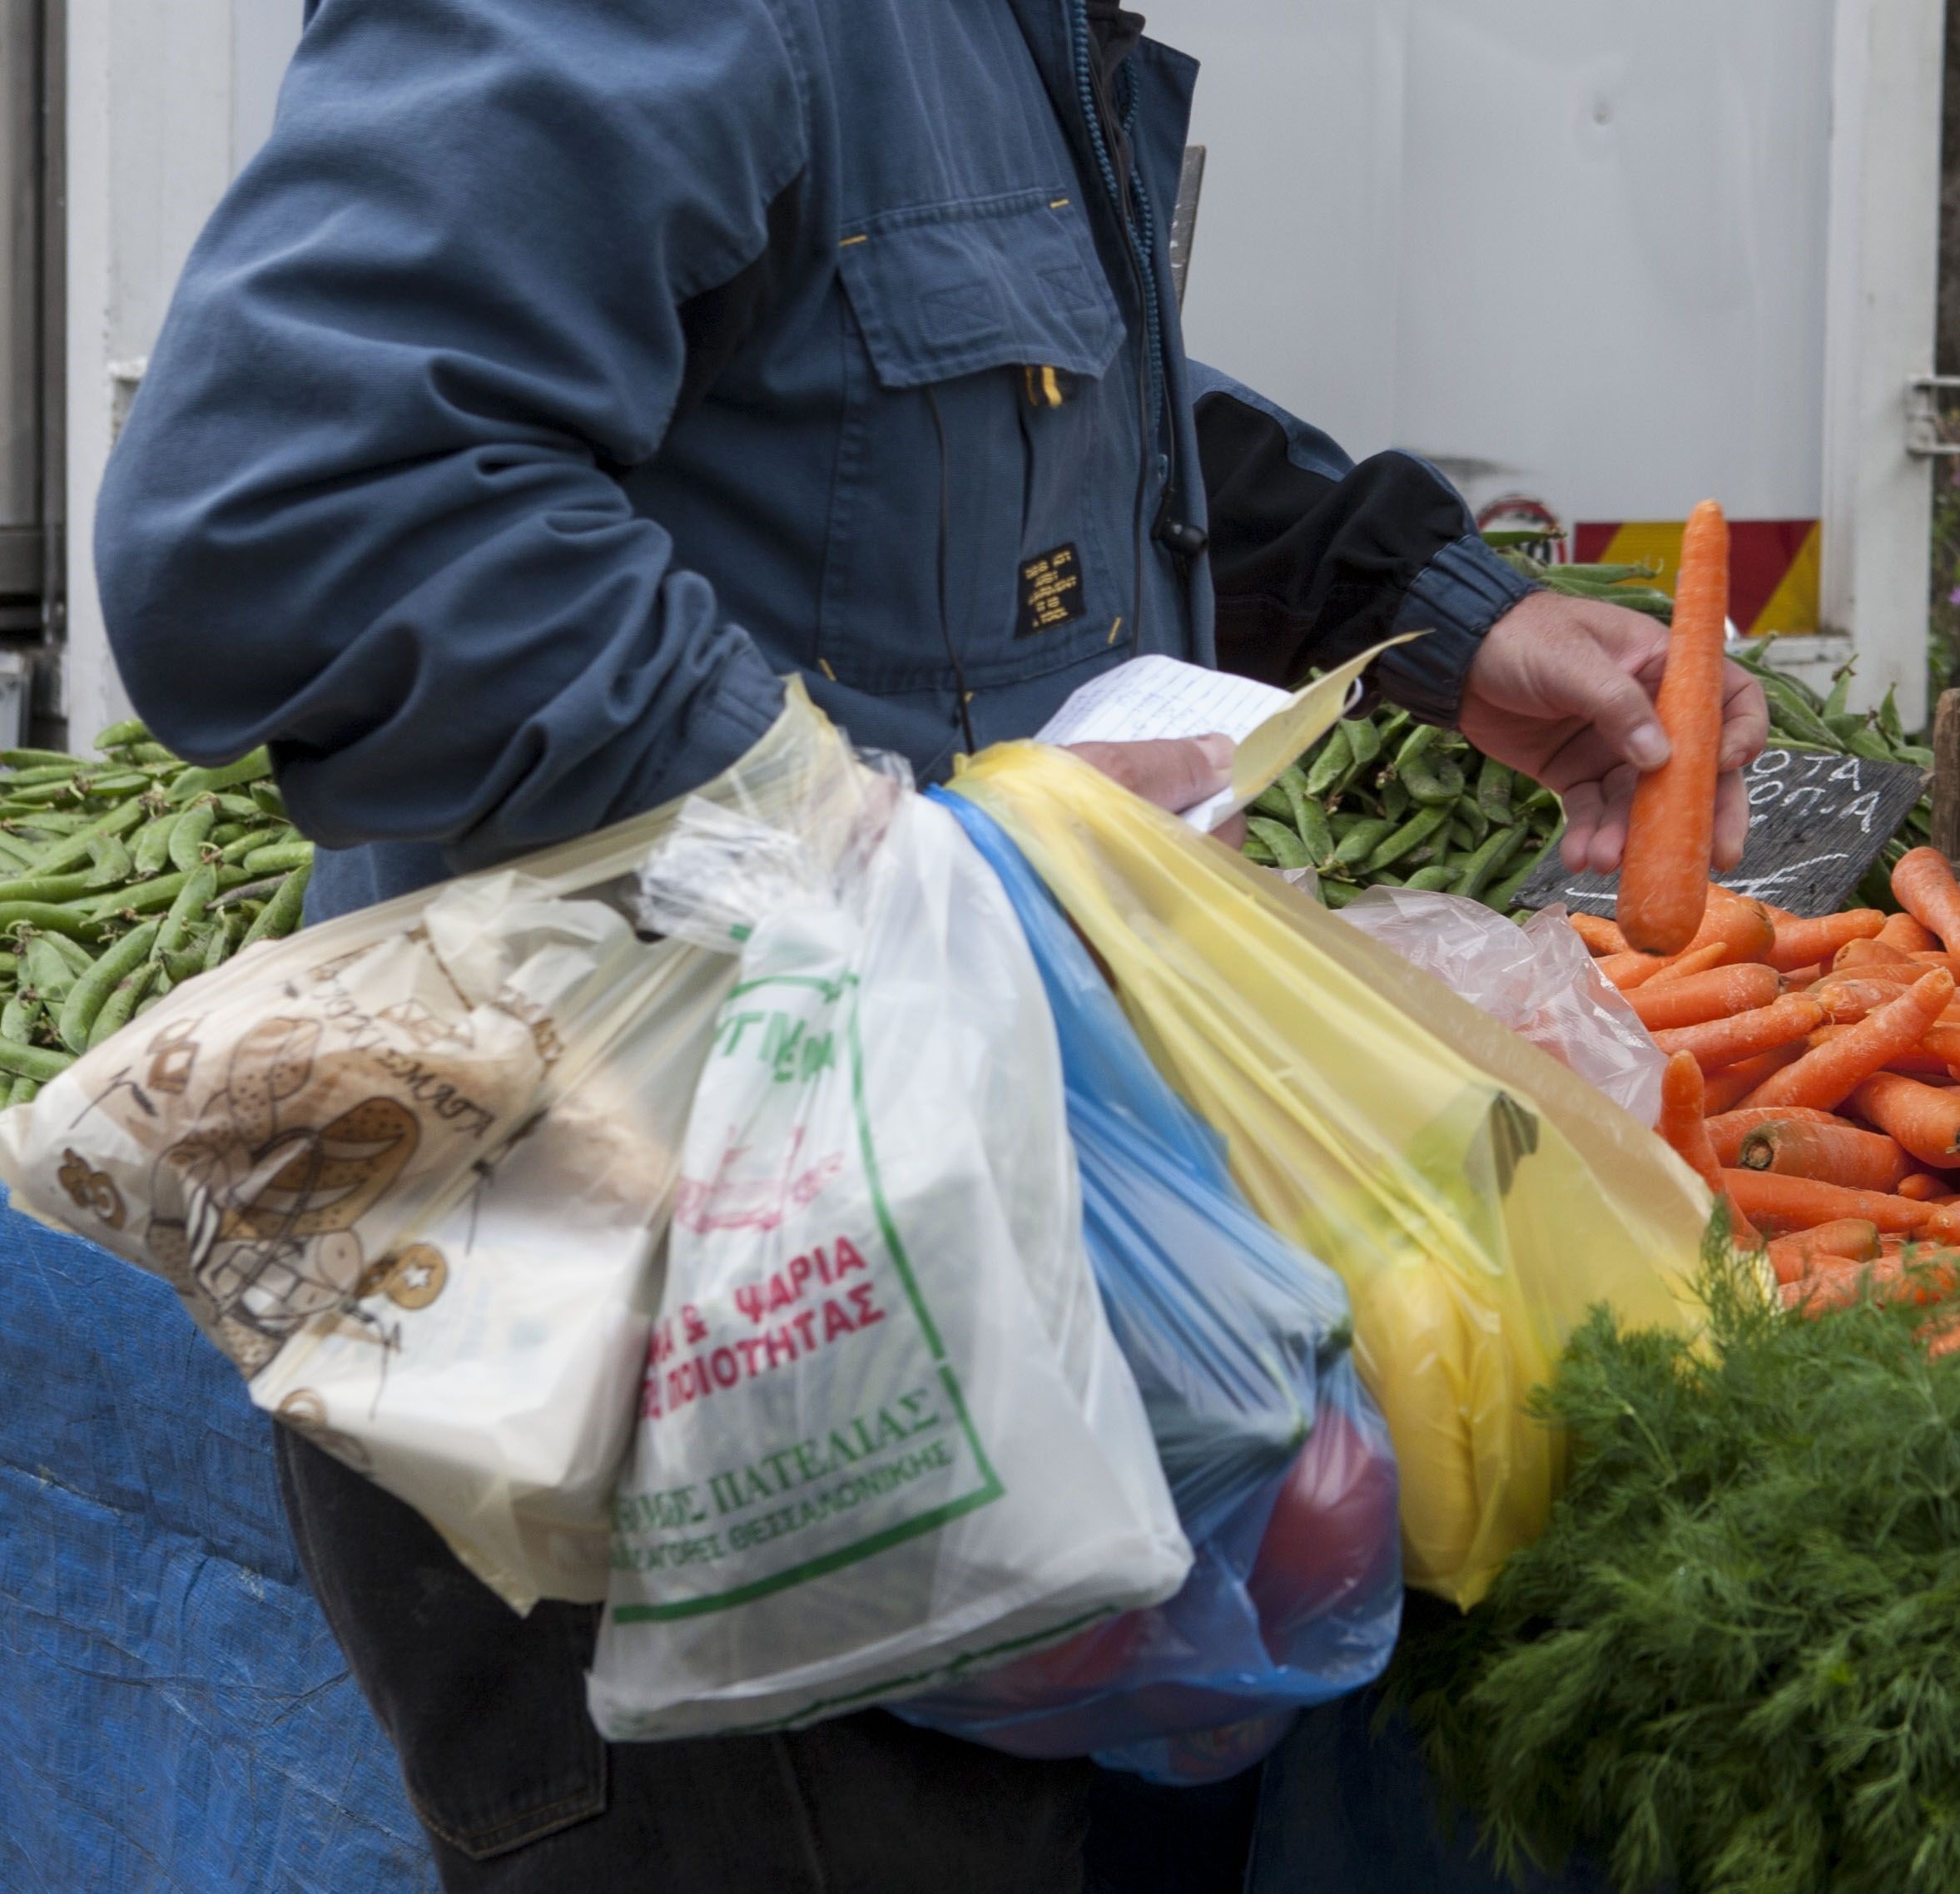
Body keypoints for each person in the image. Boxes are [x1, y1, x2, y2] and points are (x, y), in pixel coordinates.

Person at [92, 2, 1767, 1891]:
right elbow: (297, 505)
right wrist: (866, 821)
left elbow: (965, 415)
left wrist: (1430, 609)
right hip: (652, 1339)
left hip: (948, 1285)